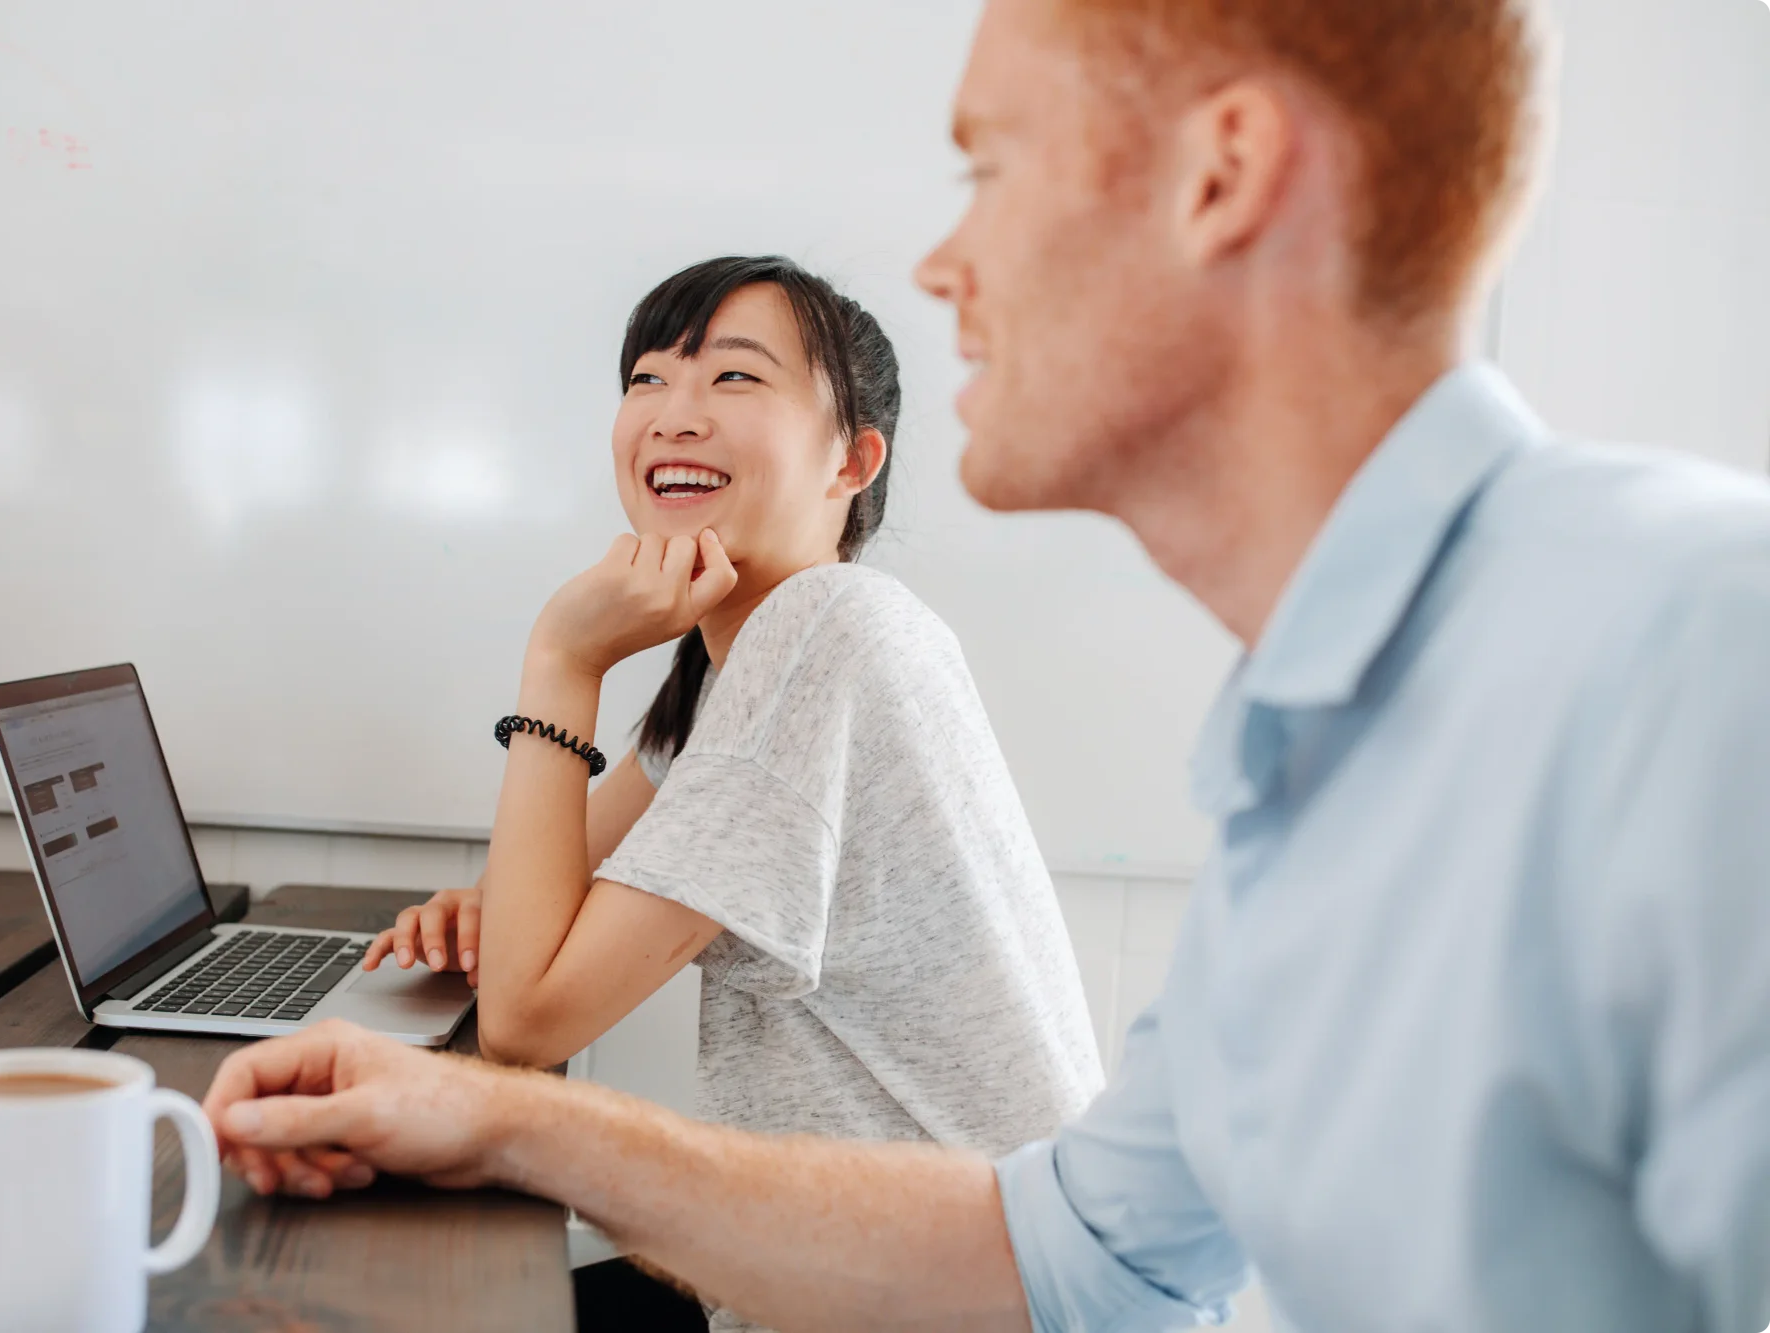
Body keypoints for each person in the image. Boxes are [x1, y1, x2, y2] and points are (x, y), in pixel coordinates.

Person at [204, 0, 1770, 1329]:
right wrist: (493, 1118)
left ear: (1220, 178)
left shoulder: (1697, 644)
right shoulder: (1304, 740)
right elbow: (1085, 1253)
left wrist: (516, 1094)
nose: (944, 267)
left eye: (988, 168)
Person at [353, 254, 1099, 1329]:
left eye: (735, 379)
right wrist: (495, 912)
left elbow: (526, 1018)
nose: (673, 415)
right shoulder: (741, 665)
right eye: (648, 379)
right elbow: (550, 913)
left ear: (852, 460)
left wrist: (562, 658)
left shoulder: (823, 633)